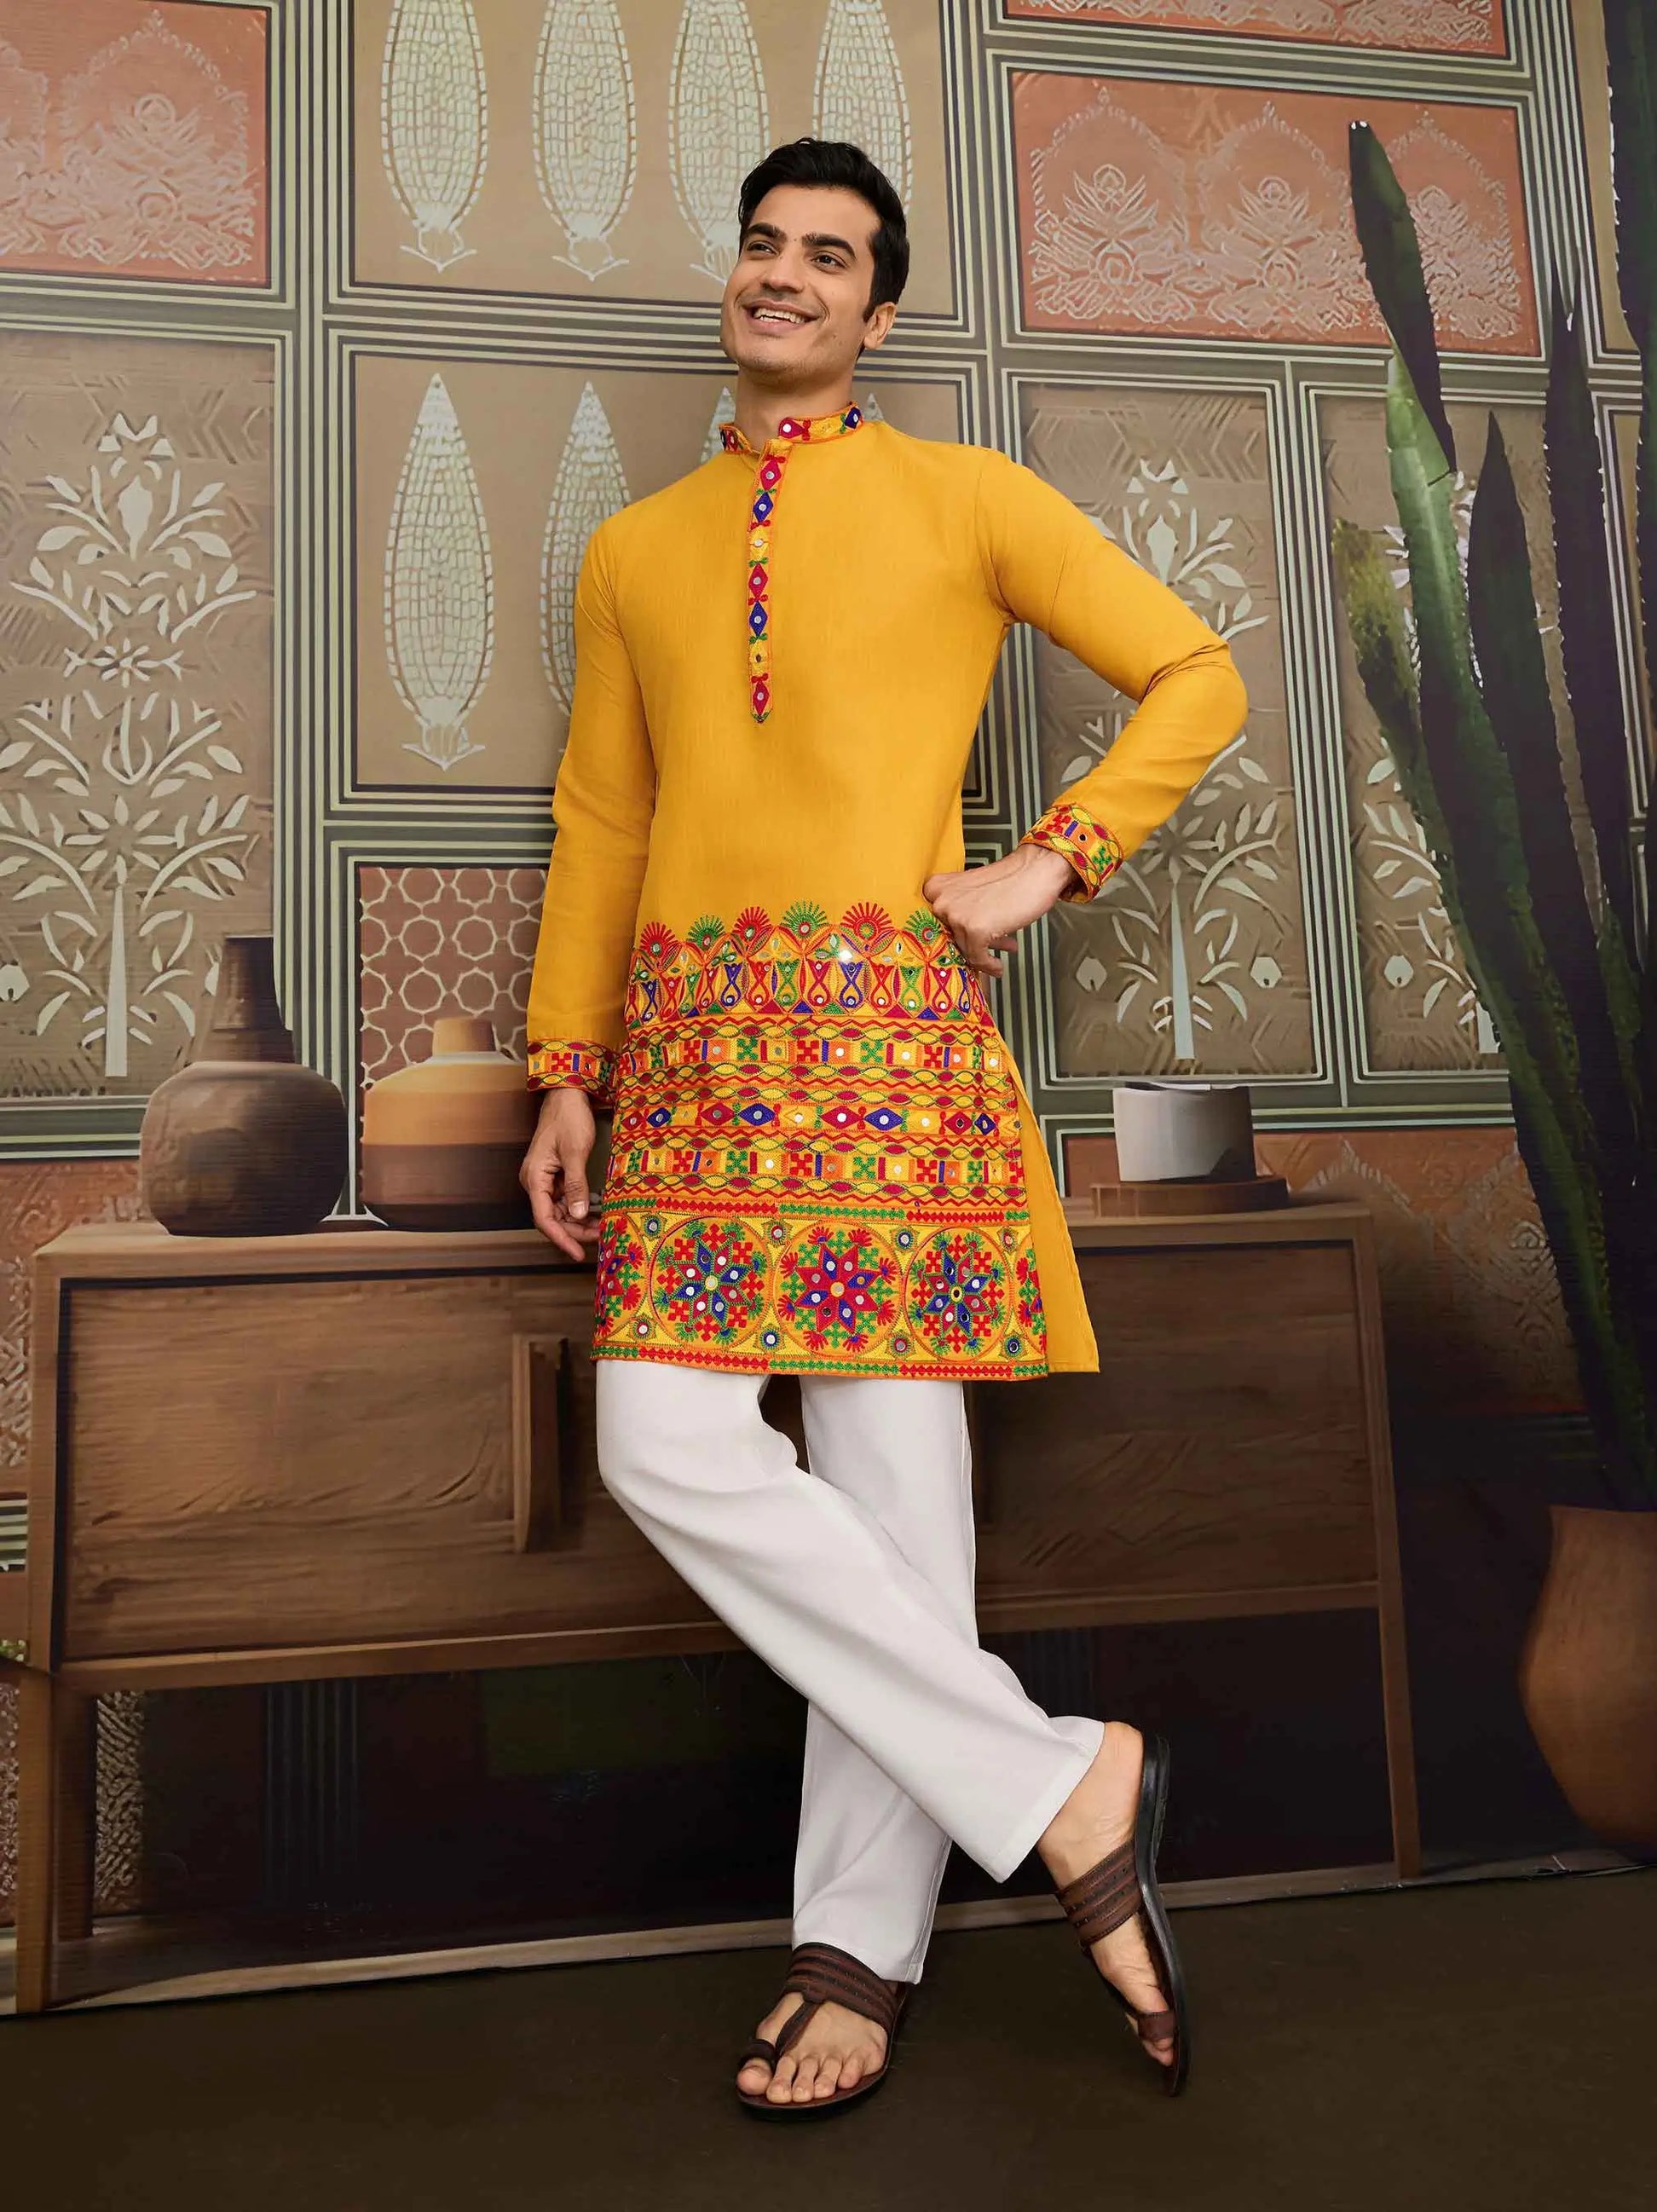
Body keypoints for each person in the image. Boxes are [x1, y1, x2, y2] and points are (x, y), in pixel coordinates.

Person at [519, 137, 1248, 2116]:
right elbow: (602, 816)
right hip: (694, 1066)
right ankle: (1065, 1780)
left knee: (898, 1518)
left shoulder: (962, 496)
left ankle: (853, 1947)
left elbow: (1195, 672)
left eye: (827, 256)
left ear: (878, 306)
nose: (783, 275)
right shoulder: (637, 548)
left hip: (884, 1056)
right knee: (664, 1438)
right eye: (761, 245)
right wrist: (569, 1067)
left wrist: (1046, 862)